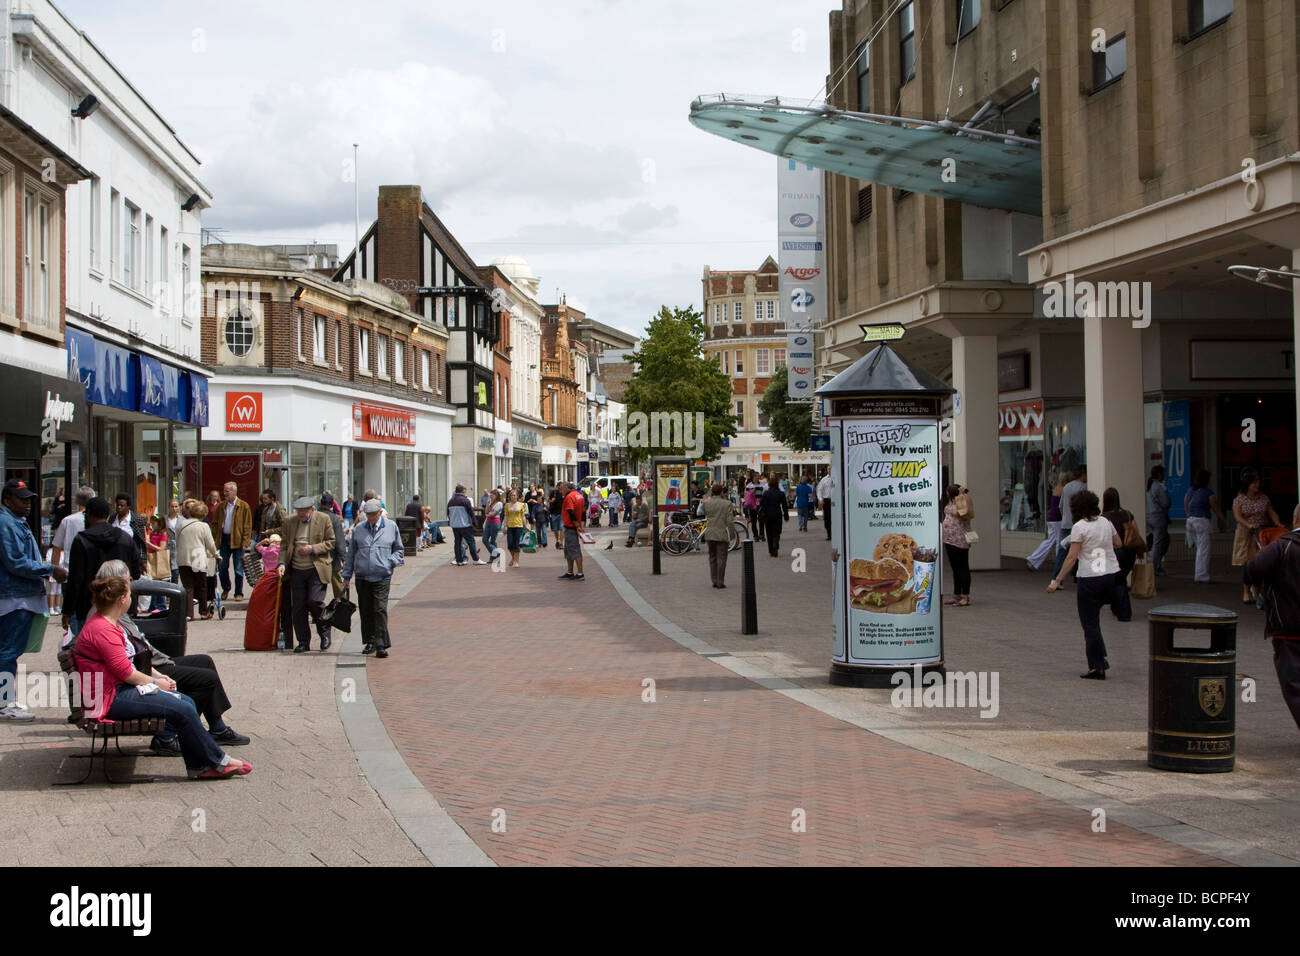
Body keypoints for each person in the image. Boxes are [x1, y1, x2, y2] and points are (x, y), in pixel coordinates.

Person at [72, 576, 251, 779]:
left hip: (113, 691)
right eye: (130, 594)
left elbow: (133, 660)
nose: (131, 598)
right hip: (108, 699)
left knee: (185, 702)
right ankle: (217, 762)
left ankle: (201, 765)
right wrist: (158, 683)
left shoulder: (107, 623)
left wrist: (159, 677)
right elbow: (125, 672)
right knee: (182, 707)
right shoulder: (103, 629)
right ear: (122, 599)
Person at [0, 479, 67, 720]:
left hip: (18, 596)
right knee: (8, 651)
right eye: (21, 499)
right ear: (7, 500)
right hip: (15, 597)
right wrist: (49, 569)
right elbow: (15, 561)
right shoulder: (6, 522)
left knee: (8, 650)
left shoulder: (14, 521)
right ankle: (3, 702)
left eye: (29, 499)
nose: (27, 504)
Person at [1048, 489, 1121, 680]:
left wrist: (1057, 580)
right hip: (1109, 575)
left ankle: (1096, 666)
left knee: (1090, 623)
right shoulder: (1106, 521)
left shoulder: (1079, 527)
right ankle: (1100, 656)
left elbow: (1072, 557)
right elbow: (1118, 543)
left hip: (1089, 578)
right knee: (1094, 622)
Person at [1243, 504, 1300, 731]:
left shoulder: (1283, 547)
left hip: (1289, 627)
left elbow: (1251, 570)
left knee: (1294, 683)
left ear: (1295, 519)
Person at [64, 497, 141, 635]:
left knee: (90, 650)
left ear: (88, 514)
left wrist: (68, 610)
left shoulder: (81, 541)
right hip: (120, 607)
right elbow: (136, 572)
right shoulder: (125, 538)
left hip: (89, 607)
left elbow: (75, 579)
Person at [343, 499, 404, 659]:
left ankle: (381, 644)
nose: (370, 518)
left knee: (379, 609)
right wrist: (346, 575)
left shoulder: (391, 527)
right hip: (363, 575)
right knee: (366, 610)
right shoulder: (358, 529)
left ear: (379, 513)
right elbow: (351, 554)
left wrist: (389, 563)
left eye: (372, 515)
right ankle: (369, 641)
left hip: (382, 575)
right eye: (367, 515)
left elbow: (399, 550)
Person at [277, 496, 336, 653]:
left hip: (316, 568)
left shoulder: (323, 519)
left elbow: (331, 542)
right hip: (297, 569)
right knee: (298, 606)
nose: (301, 514)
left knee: (315, 601)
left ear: (312, 510)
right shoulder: (289, 522)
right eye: (298, 511)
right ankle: (303, 641)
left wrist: (312, 549)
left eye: (304, 511)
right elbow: (284, 545)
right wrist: (282, 563)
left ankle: (324, 631)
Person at [1232, 468, 1281, 606]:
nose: (1257, 484)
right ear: (1247, 484)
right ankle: (1246, 591)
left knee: (1260, 562)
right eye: (1254, 482)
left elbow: (1271, 512)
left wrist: (1277, 523)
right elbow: (1237, 516)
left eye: (1258, 482)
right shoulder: (1239, 500)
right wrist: (1248, 524)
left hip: (1261, 533)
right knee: (1248, 564)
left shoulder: (1264, 498)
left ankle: (1257, 590)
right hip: (1245, 534)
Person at [175, 499, 218, 621]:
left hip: (183, 558)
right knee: (202, 586)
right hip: (198, 558)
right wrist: (216, 554)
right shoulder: (203, 526)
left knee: (188, 586)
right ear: (203, 514)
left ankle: (189, 614)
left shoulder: (181, 524)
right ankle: (203, 612)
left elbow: (177, 541)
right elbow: (210, 543)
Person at [1101, 487, 1138, 622]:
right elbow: (1136, 532)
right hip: (1129, 552)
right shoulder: (1127, 514)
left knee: (1118, 582)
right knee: (1120, 579)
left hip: (1114, 553)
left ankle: (1123, 612)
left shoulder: (1104, 518)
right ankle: (1117, 608)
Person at [213, 482, 252, 602]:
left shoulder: (244, 506)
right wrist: (215, 539)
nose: (224, 493)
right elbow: (215, 523)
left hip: (238, 540)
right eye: (224, 491)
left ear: (234, 492)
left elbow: (247, 525)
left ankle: (238, 593)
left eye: (227, 491)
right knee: (222, 566)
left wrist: (246, 541)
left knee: (238, 568)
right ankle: (226, 588)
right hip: (224, 539)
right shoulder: (221, 506)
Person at [1184, 469, 1224, 584]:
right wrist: (1224, 520)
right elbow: (1216, 509)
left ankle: (1200, 573)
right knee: (1203, 549)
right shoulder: (1208, 493)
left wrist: (1189, 514)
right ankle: (1201, 575)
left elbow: (1185, 502)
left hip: (1190, 521)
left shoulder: (1191, 490)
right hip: (1202, 521)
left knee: (1199, 548)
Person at [942, 484, 973, 607]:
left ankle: (965, 596)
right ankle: (956, 594)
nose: (946, 493)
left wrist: (961, 495)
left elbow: (961, 513)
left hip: (959, 539)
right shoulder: (950, 503)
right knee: (955, 568)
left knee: (962, 567)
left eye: (947, 491)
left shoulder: (962, 503)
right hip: (949, 539)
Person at [1054, 465, 1088, 580]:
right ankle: (1077, 574)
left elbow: (1061, 506)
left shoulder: (1067, 486)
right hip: (1079, 523)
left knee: (1062, 551)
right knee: (1082, 549)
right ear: (1083, 474)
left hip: (1066, 523)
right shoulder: (1084, 487)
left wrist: (1066, 517)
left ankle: (1056, 577)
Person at [701, 483, 736, 587]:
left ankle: (714, 580)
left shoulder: (706, 503)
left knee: (712, 556)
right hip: (721, 533)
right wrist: (732, 533)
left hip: (710, 532)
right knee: (721, 557)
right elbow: (729, 521)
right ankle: (720, 581)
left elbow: (705, 514)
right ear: (721, 492)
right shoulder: (727, 504)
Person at [1027, 473, 1064, 571]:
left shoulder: (1056, 488)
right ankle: (1059, 564)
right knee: (1059, 542)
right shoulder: (1063, 490)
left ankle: (1033, 560)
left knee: (1050, 541)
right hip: (1057, 519)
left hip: (1051, 517)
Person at [447, 485, 485, 566]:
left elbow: (448, 513)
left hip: (455, 525)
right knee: (471, 542)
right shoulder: (465, 500)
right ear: (463, 491)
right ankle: (476, 559)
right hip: (465, 525)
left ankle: (459, 560)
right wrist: (475, 523)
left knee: (457, 542)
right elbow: (471, 513)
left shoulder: (450, 501)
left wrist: (451, 522)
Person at [318, 493, 346, 598]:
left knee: (318, 583)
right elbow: (339, 540)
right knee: (337, 583)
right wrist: (343, 557)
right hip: (332, 555)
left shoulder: (315, 516)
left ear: (321, 504)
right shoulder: (334, 518)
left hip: (318, 555)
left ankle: (317, 606)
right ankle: (342, 606)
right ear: (331, 505)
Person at [112, 493, 148, 576]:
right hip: (114, 558)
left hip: (130, 559)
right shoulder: (112, 518)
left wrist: (143, 562)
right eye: (117, 505)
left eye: (122, 505)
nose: (119, 507)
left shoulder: (136, 520)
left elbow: (142, 542)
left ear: (128, 507)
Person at [1145, 466, 1171, 575]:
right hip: (1158, 516)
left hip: (1149, 516)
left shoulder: (1149, 486)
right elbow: (1166, 503)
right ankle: (1154, 567)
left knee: (1162, 540)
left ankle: (1157, 564)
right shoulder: (1159, 487)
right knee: (1158, 543)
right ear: (1159, 474)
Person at [560, 482, 586, 581]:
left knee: (575, 550)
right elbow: (583, 512)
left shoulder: (569, 497)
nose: (561, 491)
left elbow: (571, 512)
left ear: (567, 488)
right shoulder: (580, 496)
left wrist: (577, 525)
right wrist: (582, 525)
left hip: (571, 527)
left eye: (562, 489)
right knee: (568, 550)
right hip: (574, 526)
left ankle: (580, 573)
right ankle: (570, 572)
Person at [758, 474, 790, 557]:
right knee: (777, 532)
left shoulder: (766, 494)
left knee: (769, 533)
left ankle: (771, 550)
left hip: (768, 516)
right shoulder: (781, 494)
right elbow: (784, 506)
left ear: (769, 484)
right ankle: (775, 543)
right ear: (777, 484)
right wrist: (786, 516)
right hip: (777, 515)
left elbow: (762, 505)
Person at [504, 489, 530, 568]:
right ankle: (513, 558)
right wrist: (505, 525)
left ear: (517, 496)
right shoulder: (507, 505)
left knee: (516, 544)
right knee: (510, 544)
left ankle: (516, 561)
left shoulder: (521, 505)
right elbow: (506, 516)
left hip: (518, 526)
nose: (513, 497)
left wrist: (526, 526)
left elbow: (523, 516)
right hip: (510, 526)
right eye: (512, 495)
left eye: (514, 495)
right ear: (510, 496)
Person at [482, 490, 504, 558]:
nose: (491, 496)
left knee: (493, 541)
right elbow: (486, 511)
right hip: (488, 522)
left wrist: (487, 514)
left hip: (495, 523)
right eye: (490, 495)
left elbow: (493, 514)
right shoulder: (491, 502)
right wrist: (487, 504)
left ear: (496, 496)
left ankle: (493, 557)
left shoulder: (499, 503)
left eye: (492, 495)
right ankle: (496, 553)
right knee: (484, 540)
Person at [816, 467, 834, 541]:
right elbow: (819, 489)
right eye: (828, 469)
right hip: (827, 501)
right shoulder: (824, 479)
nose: (830, 470)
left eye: (831, 469)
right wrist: (820, 499)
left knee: (836, 519)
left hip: (837, 501)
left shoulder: (838, 478)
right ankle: (829, 535)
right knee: (827, 519)